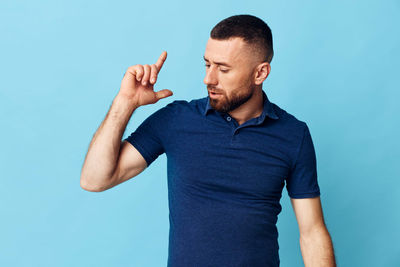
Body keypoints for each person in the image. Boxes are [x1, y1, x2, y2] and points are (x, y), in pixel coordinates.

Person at [80, 14, 336, 267]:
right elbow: (94, 180)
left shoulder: (293, 134)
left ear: (260, 73)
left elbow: (312, 232)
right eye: (207, 65)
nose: (209, 79)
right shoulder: (176, 120)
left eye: (223, 69)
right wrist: (125, 103)